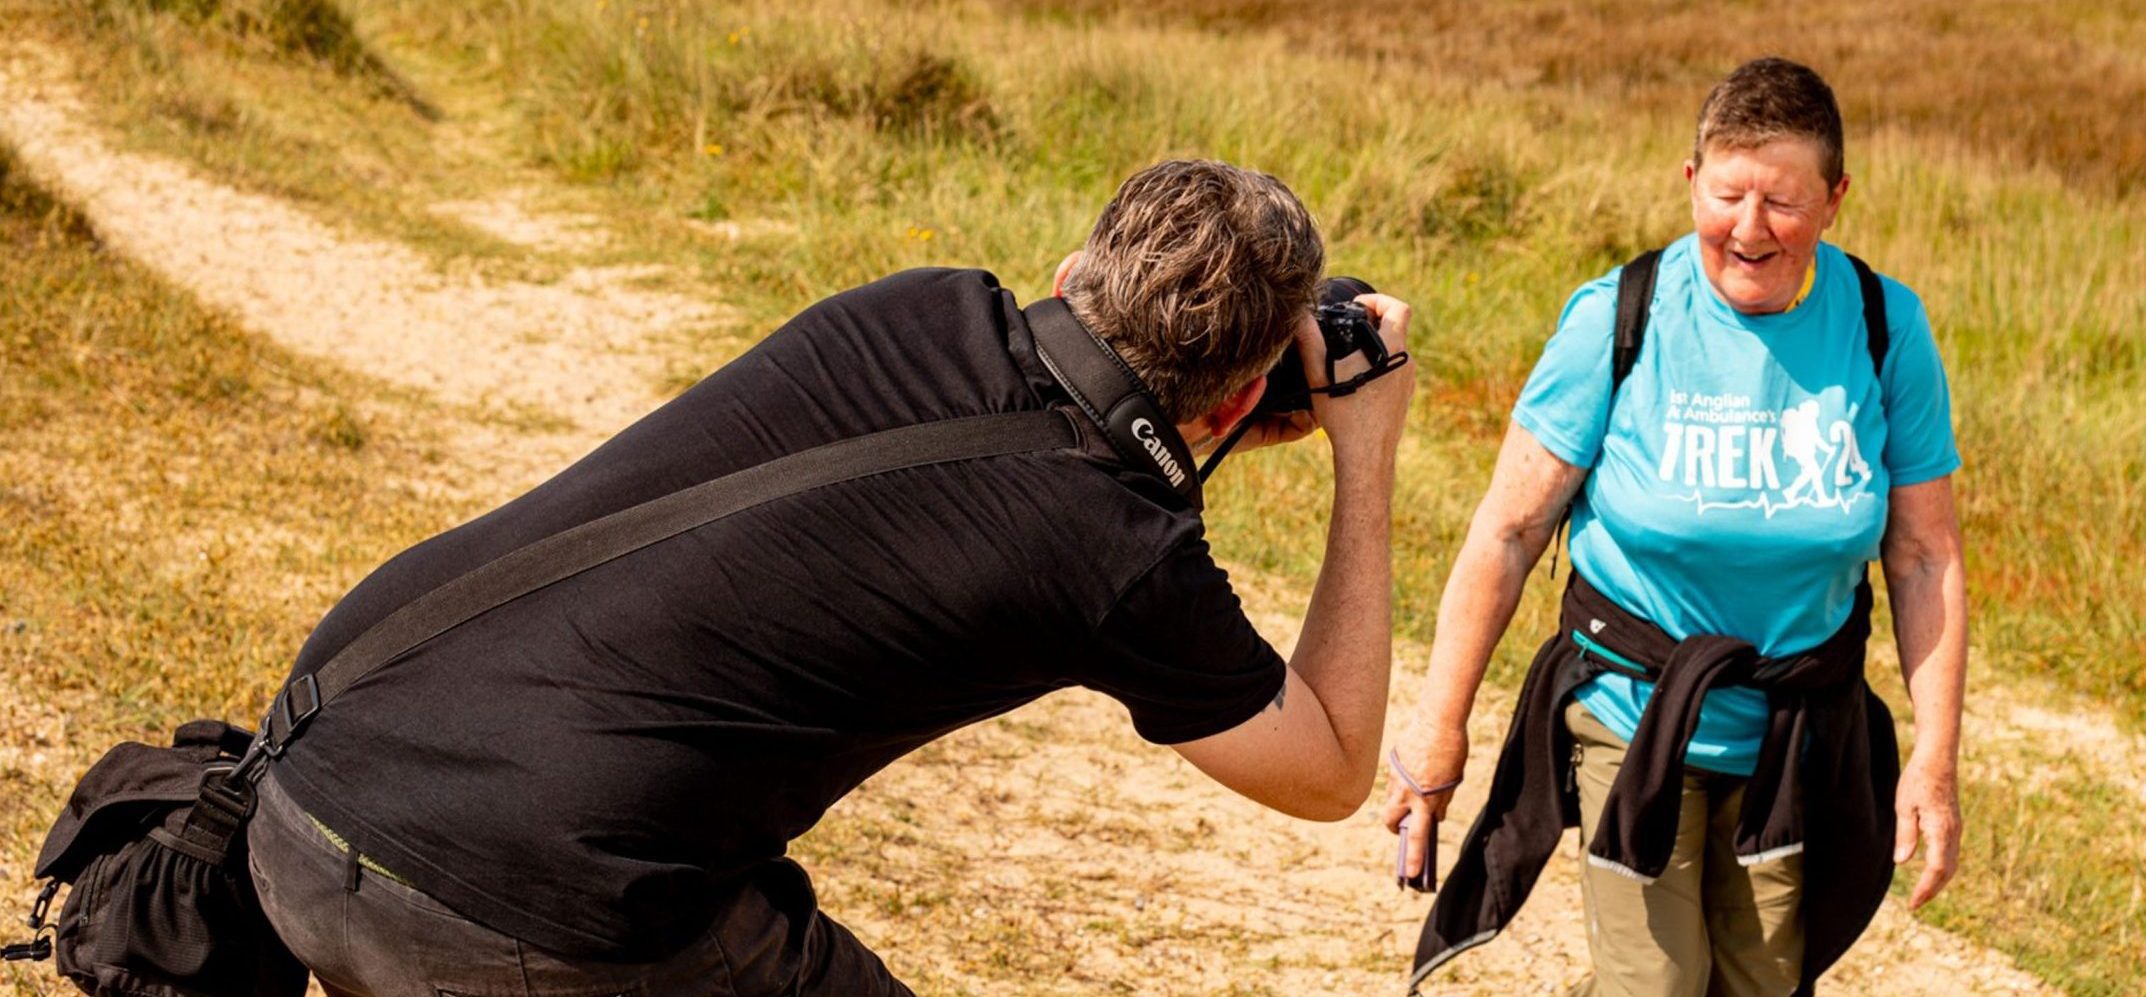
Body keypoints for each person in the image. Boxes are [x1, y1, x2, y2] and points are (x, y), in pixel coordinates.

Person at [243, 159, 1417, 995]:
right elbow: (1325, 771)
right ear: (1229, 398)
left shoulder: (914, 303)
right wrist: (1364, 458)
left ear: (1071, 272)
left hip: (305, 782)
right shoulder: (1120, 551)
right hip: (516, 910)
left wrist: (1187, 430)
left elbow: (1002, 442)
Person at [1381, 58, 1965, 996]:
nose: (1749, 228)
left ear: (1836, 198)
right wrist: (1437, 730)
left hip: (1795, 736)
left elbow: (1925, 555)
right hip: (1630, 719)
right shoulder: (1619, 316)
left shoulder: (1885, 325)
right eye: (1728, 193)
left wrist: (1934, 762)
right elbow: (1509, 531)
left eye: (1783, 201)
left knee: (1765, 985)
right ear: (1692, 180)